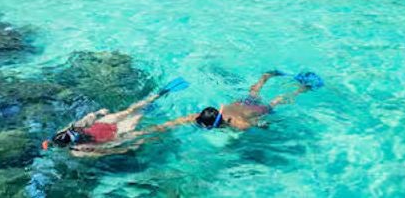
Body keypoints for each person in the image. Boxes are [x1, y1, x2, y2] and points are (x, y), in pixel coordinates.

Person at [136, 70, 323, 136]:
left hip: (256, 110)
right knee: (254, 91)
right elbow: (172, 123)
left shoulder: (240, 125)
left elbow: (258, 123)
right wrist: (147, 131)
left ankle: (302, 89)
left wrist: (266, 125)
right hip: (242, 103)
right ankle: (266, 77)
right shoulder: (206, 115)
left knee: (277, 102)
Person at [43, 77, 189, 157]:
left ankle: (161, 99)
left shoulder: (77, 148)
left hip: (106, 129)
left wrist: (131, 146)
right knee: (133, 115)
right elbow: (105, 150)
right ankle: (157, 98)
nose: (75, 133)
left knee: (132, 115)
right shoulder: (77, 147)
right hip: (109, 132)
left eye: (72, 133)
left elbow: (105, 150)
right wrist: (129, 146)